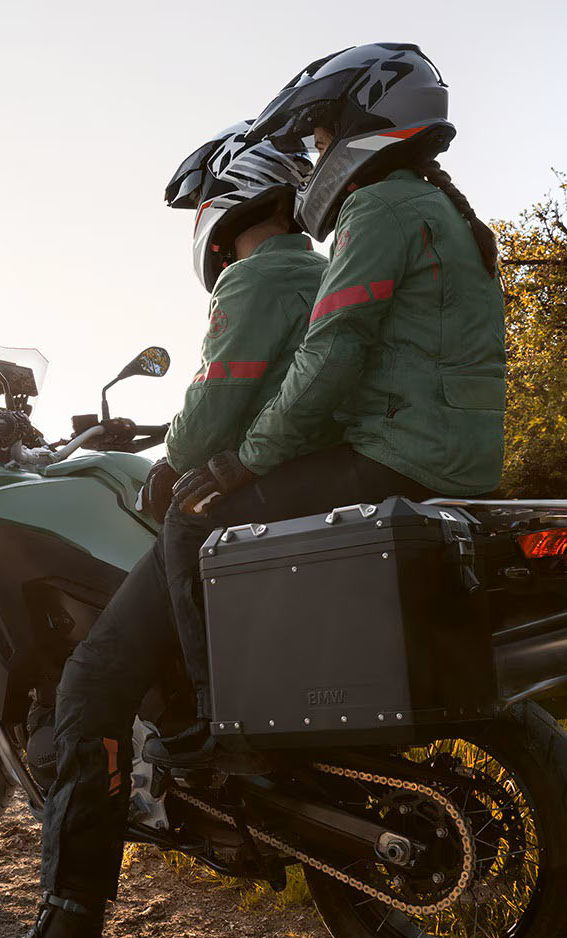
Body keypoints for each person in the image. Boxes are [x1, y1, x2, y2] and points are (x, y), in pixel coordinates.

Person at [0, 126, 328, 938]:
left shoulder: (262, 275)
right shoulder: (327, 272)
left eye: (204, 208)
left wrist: (175, 457)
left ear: (230, 203)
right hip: (307, 506)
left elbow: (208, 420)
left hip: (236, 512)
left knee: (90, 689)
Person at [144, 41, 507, 768]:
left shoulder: (381, 207)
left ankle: (211, 727)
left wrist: (243, 460)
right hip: (458, 457)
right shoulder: (437, 206)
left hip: (397, 453)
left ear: (363, 120)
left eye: (319, 135)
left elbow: (331, 352)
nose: (316, 151)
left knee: (191, 521)